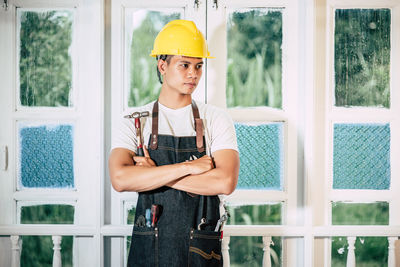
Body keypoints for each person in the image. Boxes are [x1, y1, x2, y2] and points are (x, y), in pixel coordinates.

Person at [109, 19, 239, 267]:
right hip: (151, 248)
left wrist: (154, 174)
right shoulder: (135, 122)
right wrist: (188, 168)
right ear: (162, 66)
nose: (194, 74)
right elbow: (121, 179)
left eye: (199, 66)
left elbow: (225, 181)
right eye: (185, 65)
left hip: (200, 247)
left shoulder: (216, 119)